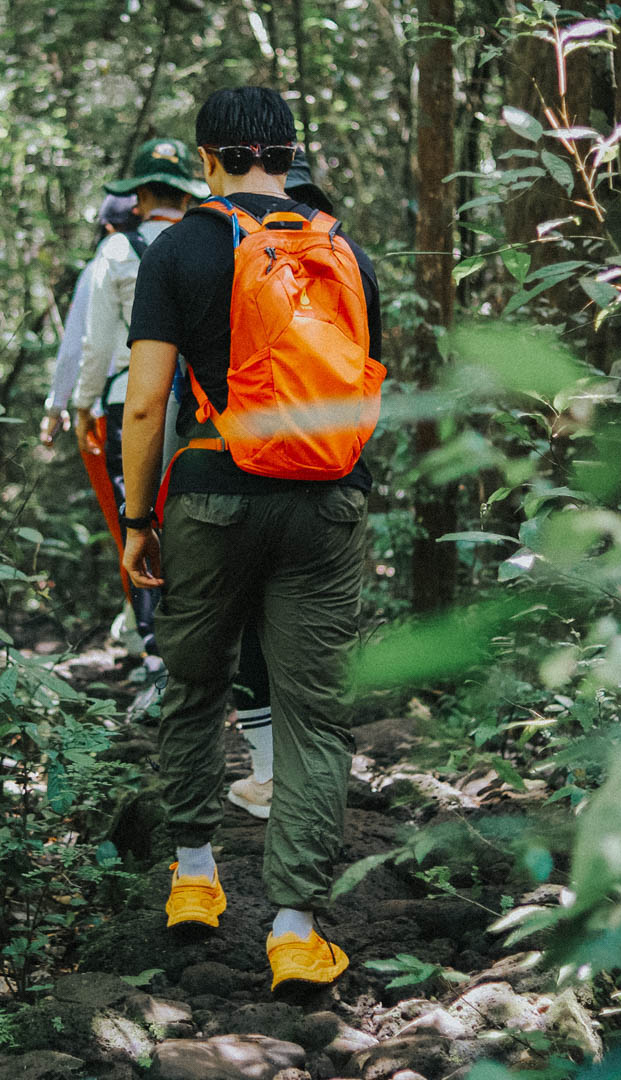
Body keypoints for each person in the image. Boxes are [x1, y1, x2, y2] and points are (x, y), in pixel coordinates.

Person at [120, 87, 383, 991]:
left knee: (194, 684)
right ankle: (297, 929)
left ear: (209, 157)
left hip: (210, 496)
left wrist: (137, 518)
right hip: (326, 499)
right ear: (287, 152)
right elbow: (365, 388)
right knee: (314, 713)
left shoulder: (179, 248)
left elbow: (148, 399)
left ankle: (195, 879)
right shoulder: (341, 250)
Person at [225, 149, 339, 822]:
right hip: (329, 470)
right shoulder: (345, 264)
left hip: (248, 468)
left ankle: (269, 775)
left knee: (249, 627)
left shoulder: (234, 262)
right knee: (309, 633)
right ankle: (306, 780)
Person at [71, 138, 207, 655]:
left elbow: (97, 344)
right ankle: (197, 646)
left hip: (130, 400)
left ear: (141, 198)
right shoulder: (209, 243)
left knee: (139, 518)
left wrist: (82, 405)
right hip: (200, 406)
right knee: (190, 520)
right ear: (185, 195)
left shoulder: (117, 251)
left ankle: (156, 653)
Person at [40, 194, 139, 605]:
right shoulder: (175, 251)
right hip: (179, 405)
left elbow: (80, 346)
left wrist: (58, 407)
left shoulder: (106, 260)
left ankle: (145, 630)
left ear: (108, 227)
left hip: (109, 409)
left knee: (127, 524)